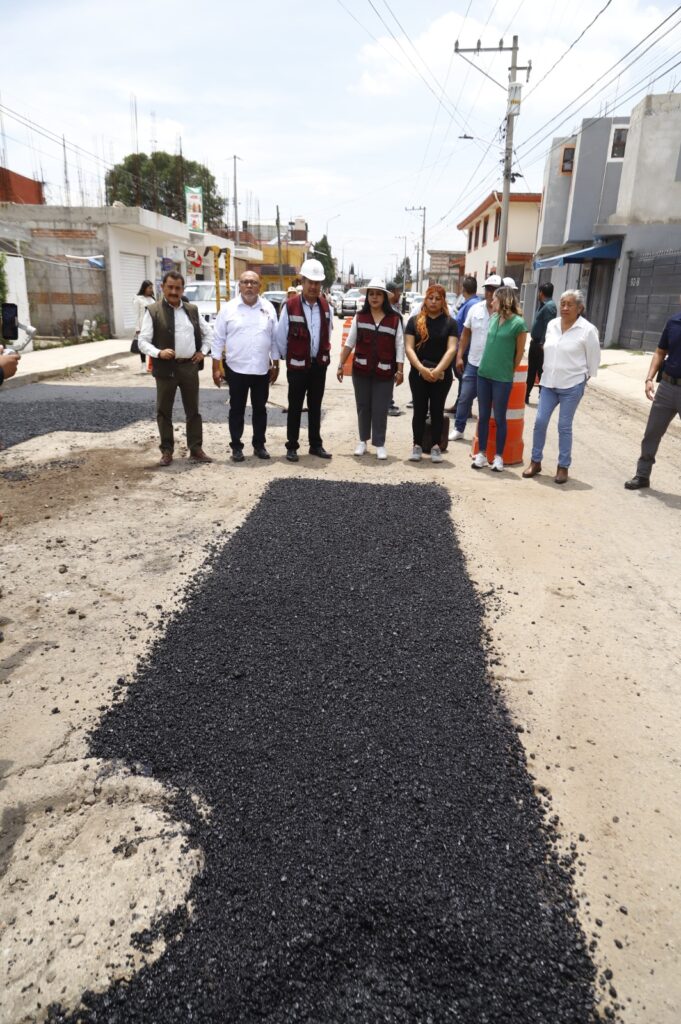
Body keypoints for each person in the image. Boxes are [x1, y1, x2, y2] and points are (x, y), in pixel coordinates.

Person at [523, 289, 600, 484]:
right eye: (563, 303)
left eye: (570, 304)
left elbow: (593, 360)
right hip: (548, 383)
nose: (565, 308)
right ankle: (535, 461)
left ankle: (563, 466)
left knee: (564, 426)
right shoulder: (552, 325)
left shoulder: (588, 330)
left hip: (572, 385)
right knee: (540, 421)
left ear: (579, 308)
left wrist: (582, 379)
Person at [137, 270, 213, 466]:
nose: (173, 291)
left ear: (182, 289)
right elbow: (142, 341)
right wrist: (158, 353)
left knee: (193, 411)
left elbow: (208, 334)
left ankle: (195, 449)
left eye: (177, 288)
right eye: (170, 287)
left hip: (189, 367)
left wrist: (202, 351)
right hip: (165, 369)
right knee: (164, 411)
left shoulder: (192, 310)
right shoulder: (153, 311)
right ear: (162, 287)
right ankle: (167, 451)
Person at [211, 270, 279, 463]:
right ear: (239, 285)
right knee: (237, 409)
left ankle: (259, 445)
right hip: (236, 369)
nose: (249, 286)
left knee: (260, 410)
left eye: (253, 283)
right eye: (245, 282)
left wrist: (276, 363)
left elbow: (275, 339)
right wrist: (216, 367)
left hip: (261, 369)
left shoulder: (268, 308)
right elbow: (218, 340)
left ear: (260, 286)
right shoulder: (228, 309)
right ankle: (236, 447)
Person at [336, 278, 404, 460]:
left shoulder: (395, 320)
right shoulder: (360, 317)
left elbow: (400, 346)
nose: (374, 297)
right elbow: (350, 343)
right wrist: (340, 364)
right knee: (363, 406)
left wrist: (400, 370)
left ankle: (380, 444)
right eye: (371, 294)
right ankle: (362, 441)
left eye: (378, 294)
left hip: (385, 372)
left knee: (380, 408)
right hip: (362, 371)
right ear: (367, 297)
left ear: (384, 297)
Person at [275, 258, 334, 462]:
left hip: (319, 366)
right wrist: (289, 357)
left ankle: (315, 445)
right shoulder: (290, 306)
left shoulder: (327, 307)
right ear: (302, 281)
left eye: (317, 283)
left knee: (316, 406)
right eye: (310, 282)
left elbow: (329, 331)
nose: (313, 286)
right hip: (298, 366)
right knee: (295, 406)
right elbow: (281, 336)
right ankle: (292, 446)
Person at [624, 300, 681, 490]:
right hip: (666, 386)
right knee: (651, 434)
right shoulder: (673, 322)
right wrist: (649, 378)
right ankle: (642, 475)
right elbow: (659, 352)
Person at [472, 285, 528, 472]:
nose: (491, 300)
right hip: (484, 374)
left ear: (504, 299)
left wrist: (508, 371)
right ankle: (481, 454)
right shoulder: (494, 318)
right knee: (484, 416)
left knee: (500, 418)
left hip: (502, 378)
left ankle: (498, 457)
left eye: (495, 298)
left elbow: (519, 353)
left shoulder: (519, 324)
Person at [404, 284, 457, 463]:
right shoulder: (414, 321)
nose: (433, 301)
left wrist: (438, 370)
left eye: (437, 298)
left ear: (443, 301)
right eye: (430, 298)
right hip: (418, 374)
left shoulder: (450, 323)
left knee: (437, 409)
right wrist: (422, 369)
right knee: (419, 409)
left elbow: (451, 349)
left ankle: (436, 445)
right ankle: (417, 445)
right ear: (425, 299)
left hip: (442, 376)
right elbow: (409, 348)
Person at [451, 274, 501, 441]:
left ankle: (485, 436)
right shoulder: (475, 309)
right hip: (473, 362)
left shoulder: (505, 314)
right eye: (488, 289)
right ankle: (459, 428)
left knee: (486, 404)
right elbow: (465, 335)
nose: (490, 293)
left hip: (494, 366)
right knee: (464, 396)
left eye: (494, 289)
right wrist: (459, 356)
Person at [445, 275, 479, 419]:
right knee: (463, 378)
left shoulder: (471, 305)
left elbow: (466, 331)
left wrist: (459, 350)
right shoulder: (473, 303)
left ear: (463, 289)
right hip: (465, 347)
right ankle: (461, 405)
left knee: (464, 378)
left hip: (464, 348)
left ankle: (464, 407)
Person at [526, 282, 557, 404]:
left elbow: (549, 326)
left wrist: (544, 343)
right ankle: (526, 395)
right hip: (536, 343)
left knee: (540, 371)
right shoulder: (544, 305)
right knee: (532, 371)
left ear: (541, 293)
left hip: (540, 345)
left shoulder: (549, 307)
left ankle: (542, 397)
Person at [386, 280, 404, 416]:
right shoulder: (388, 310)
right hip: (389, 349)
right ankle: (387, 404)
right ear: (391, 293)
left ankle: (388, 402)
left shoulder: (395, 307)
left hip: (395, 348)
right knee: (388, 376)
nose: (400, 294)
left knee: (390, 376)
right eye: (398, 291)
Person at [133, 280, 155, 368]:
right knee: (142, 345)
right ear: (144, 288)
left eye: (151, 288)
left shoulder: (152, 299)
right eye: (149, 288)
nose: (151, 290)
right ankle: (143, 365)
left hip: (152, 326)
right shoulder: (138, 299)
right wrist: (137, 328)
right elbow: (136, 315)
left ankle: (152, 365)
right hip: (142, 326)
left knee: (152, 345)